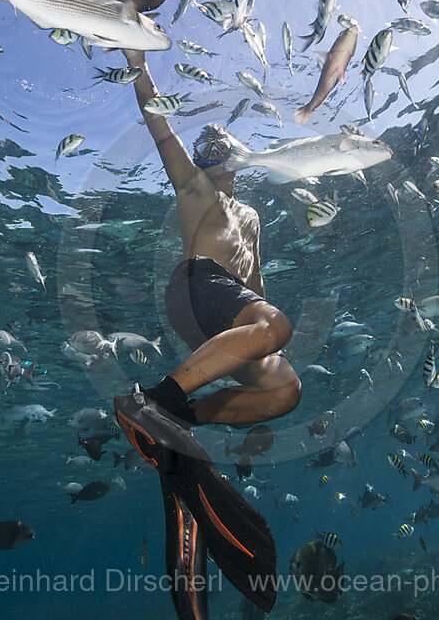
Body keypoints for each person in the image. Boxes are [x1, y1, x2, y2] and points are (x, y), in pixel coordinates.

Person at [114, 49, 301, 619]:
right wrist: (137, 60)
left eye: (224, 144)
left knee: (285, 391)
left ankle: (179, 420)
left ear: (238, 157)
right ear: (202, 157)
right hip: (195, 284)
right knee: (275, 325)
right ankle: (160, 401)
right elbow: (157, 122)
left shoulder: (252, 215)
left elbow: (256, 282)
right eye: (208, 145)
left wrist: (266, 330)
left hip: (231, 306)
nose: (216, 148)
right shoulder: (194, 189)